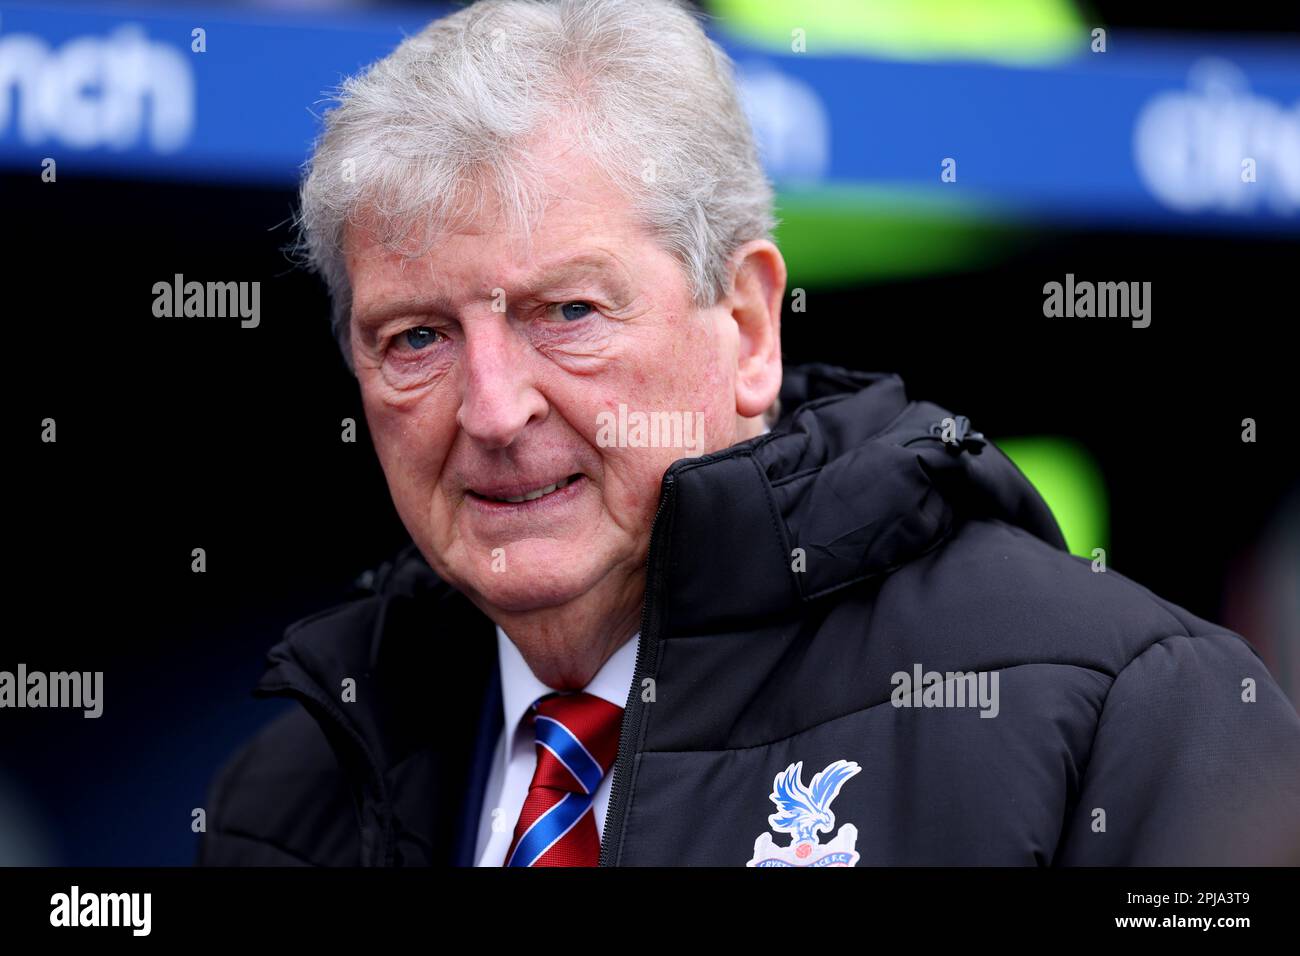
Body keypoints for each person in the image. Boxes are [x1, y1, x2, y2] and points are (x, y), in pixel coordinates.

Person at [198, 0, 1300, 867]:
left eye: (568, 313)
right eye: (416, 337)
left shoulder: (1126, 713)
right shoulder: (282, 803)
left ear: (749, 324)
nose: (492, 409)